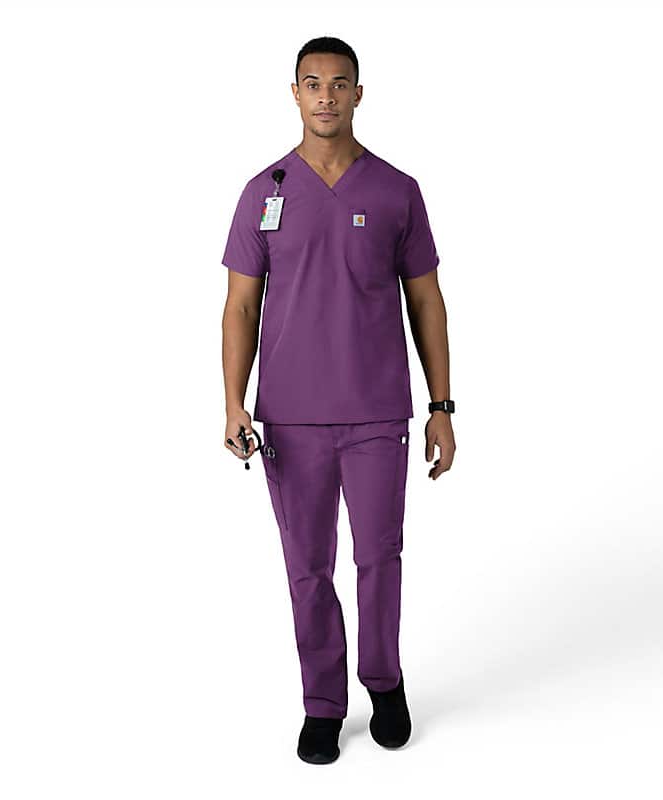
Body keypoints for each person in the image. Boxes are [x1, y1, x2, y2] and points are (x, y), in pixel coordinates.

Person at [221, 36, 455, 764]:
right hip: (290, 418)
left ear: (359, 93)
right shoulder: (263, 192)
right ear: (294, 93)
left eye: (339, 83)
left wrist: (442, 407)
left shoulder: (395, 190)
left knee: (380, 557)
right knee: (308, 567)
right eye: (313, 83)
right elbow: (239, 307)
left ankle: (384, 684)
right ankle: (322, 704)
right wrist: (233, 403)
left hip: (377, 412)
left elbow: (427, 301)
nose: (326, 95)